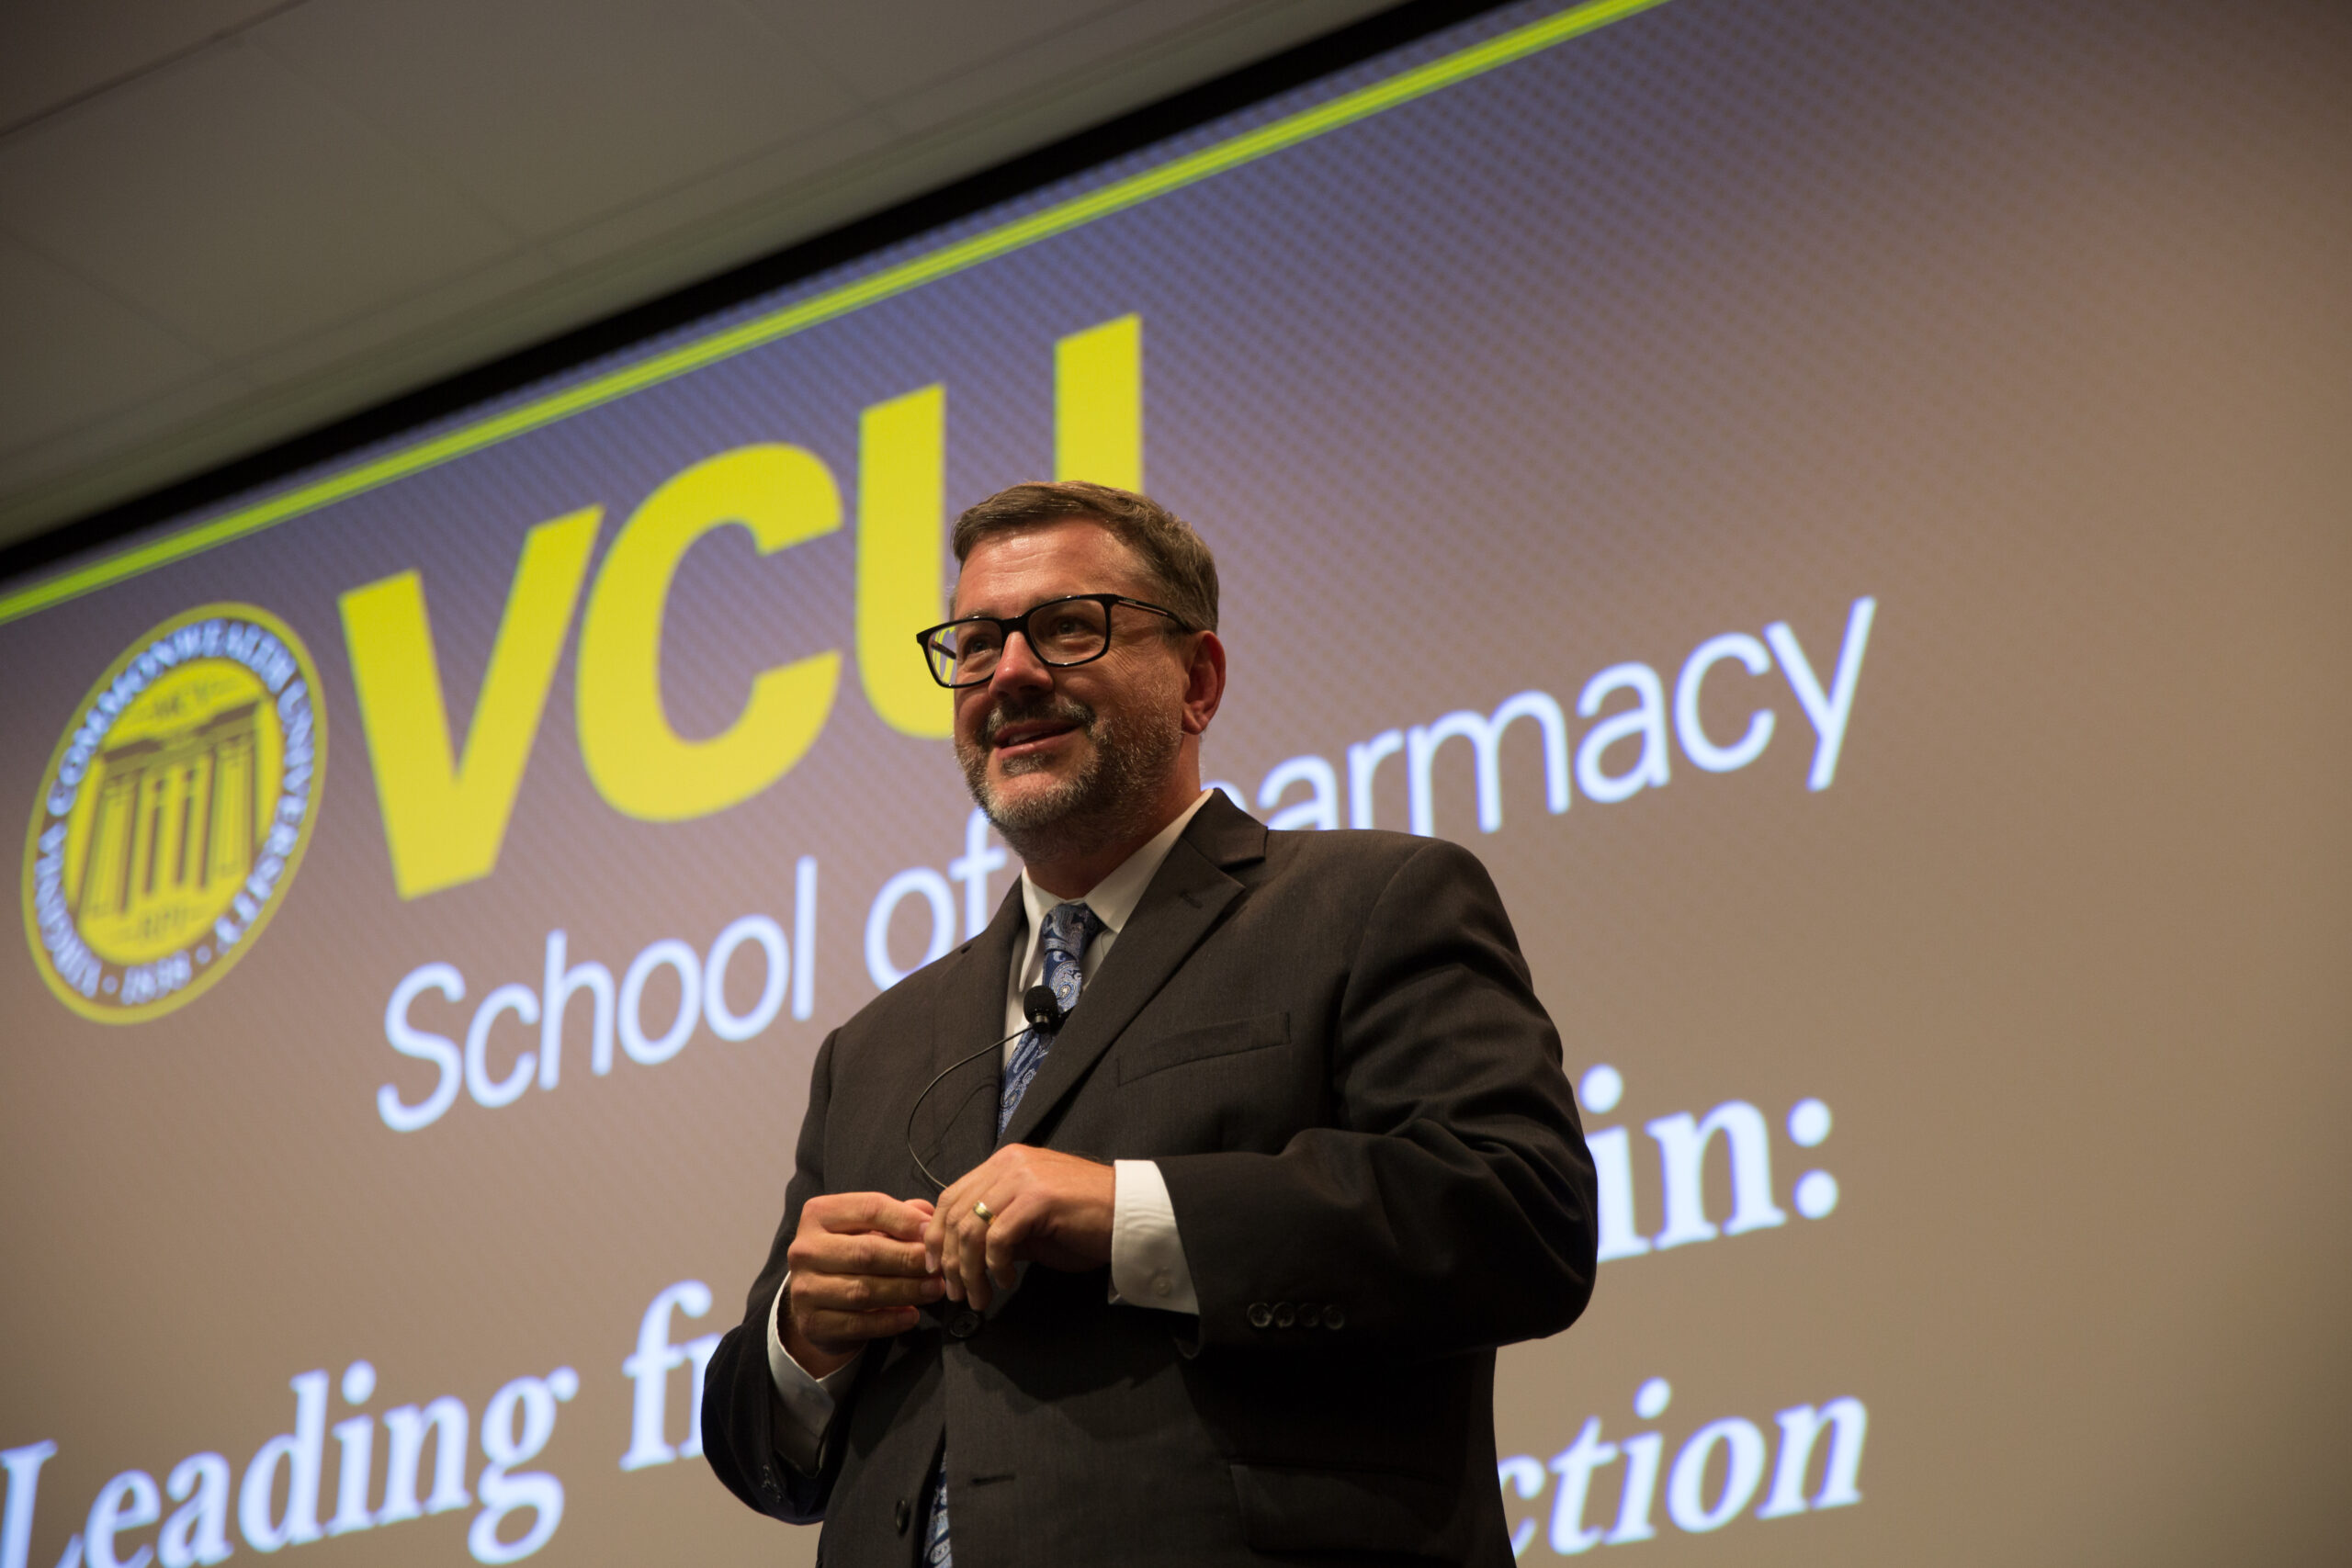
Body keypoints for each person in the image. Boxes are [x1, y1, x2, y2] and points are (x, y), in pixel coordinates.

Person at [701, 479, 1597, 1565]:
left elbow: (1518, 1217)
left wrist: (1131, 1210)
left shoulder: (1368, 902)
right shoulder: (875, 1047)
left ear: (1198, 680)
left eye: (1069, 629)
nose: (1012, 675)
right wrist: (805, 1336)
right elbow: (764, 1455)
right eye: (976, 645)